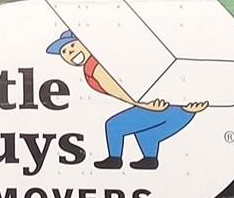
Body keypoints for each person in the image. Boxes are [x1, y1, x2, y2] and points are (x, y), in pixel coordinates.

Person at [46, 30, 209, 170]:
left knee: (114, 126)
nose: (70, 53)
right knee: (147, 136)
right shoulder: (98, 62)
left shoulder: (97, 65)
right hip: (177, 108)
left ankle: (115, 159)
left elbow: (118, 90)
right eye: (65, 52)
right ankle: (150, 160)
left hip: (171, 106)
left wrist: (144, 105)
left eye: (72, 46)